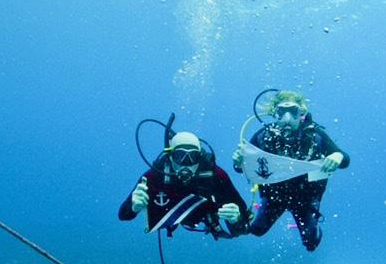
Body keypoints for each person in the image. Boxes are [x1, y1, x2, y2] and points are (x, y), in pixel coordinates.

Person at [232, 90, 350, 252]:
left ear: (301, 113)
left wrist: (337, 156)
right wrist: (238, 162)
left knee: (311, 243)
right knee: (257, 231)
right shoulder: (262, 136)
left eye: (293, 111)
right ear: (275, 113)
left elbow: (345, 161)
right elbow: (241, 168)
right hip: (274, 196)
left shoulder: (315, 135)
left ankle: (314, 230)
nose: (287, 118)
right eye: (282, 112)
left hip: (306, 197)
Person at [119, 131, 250, 239]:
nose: (186, 164)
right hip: (170, 215)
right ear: (170, 157)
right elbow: (123, 215)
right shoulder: (155, 176)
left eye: (193, 157)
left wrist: (236, 219)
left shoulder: (215, 176)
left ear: (200, 157)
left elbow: (244, 227)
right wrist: (133, 206)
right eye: (180, 156)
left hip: (205, 216)